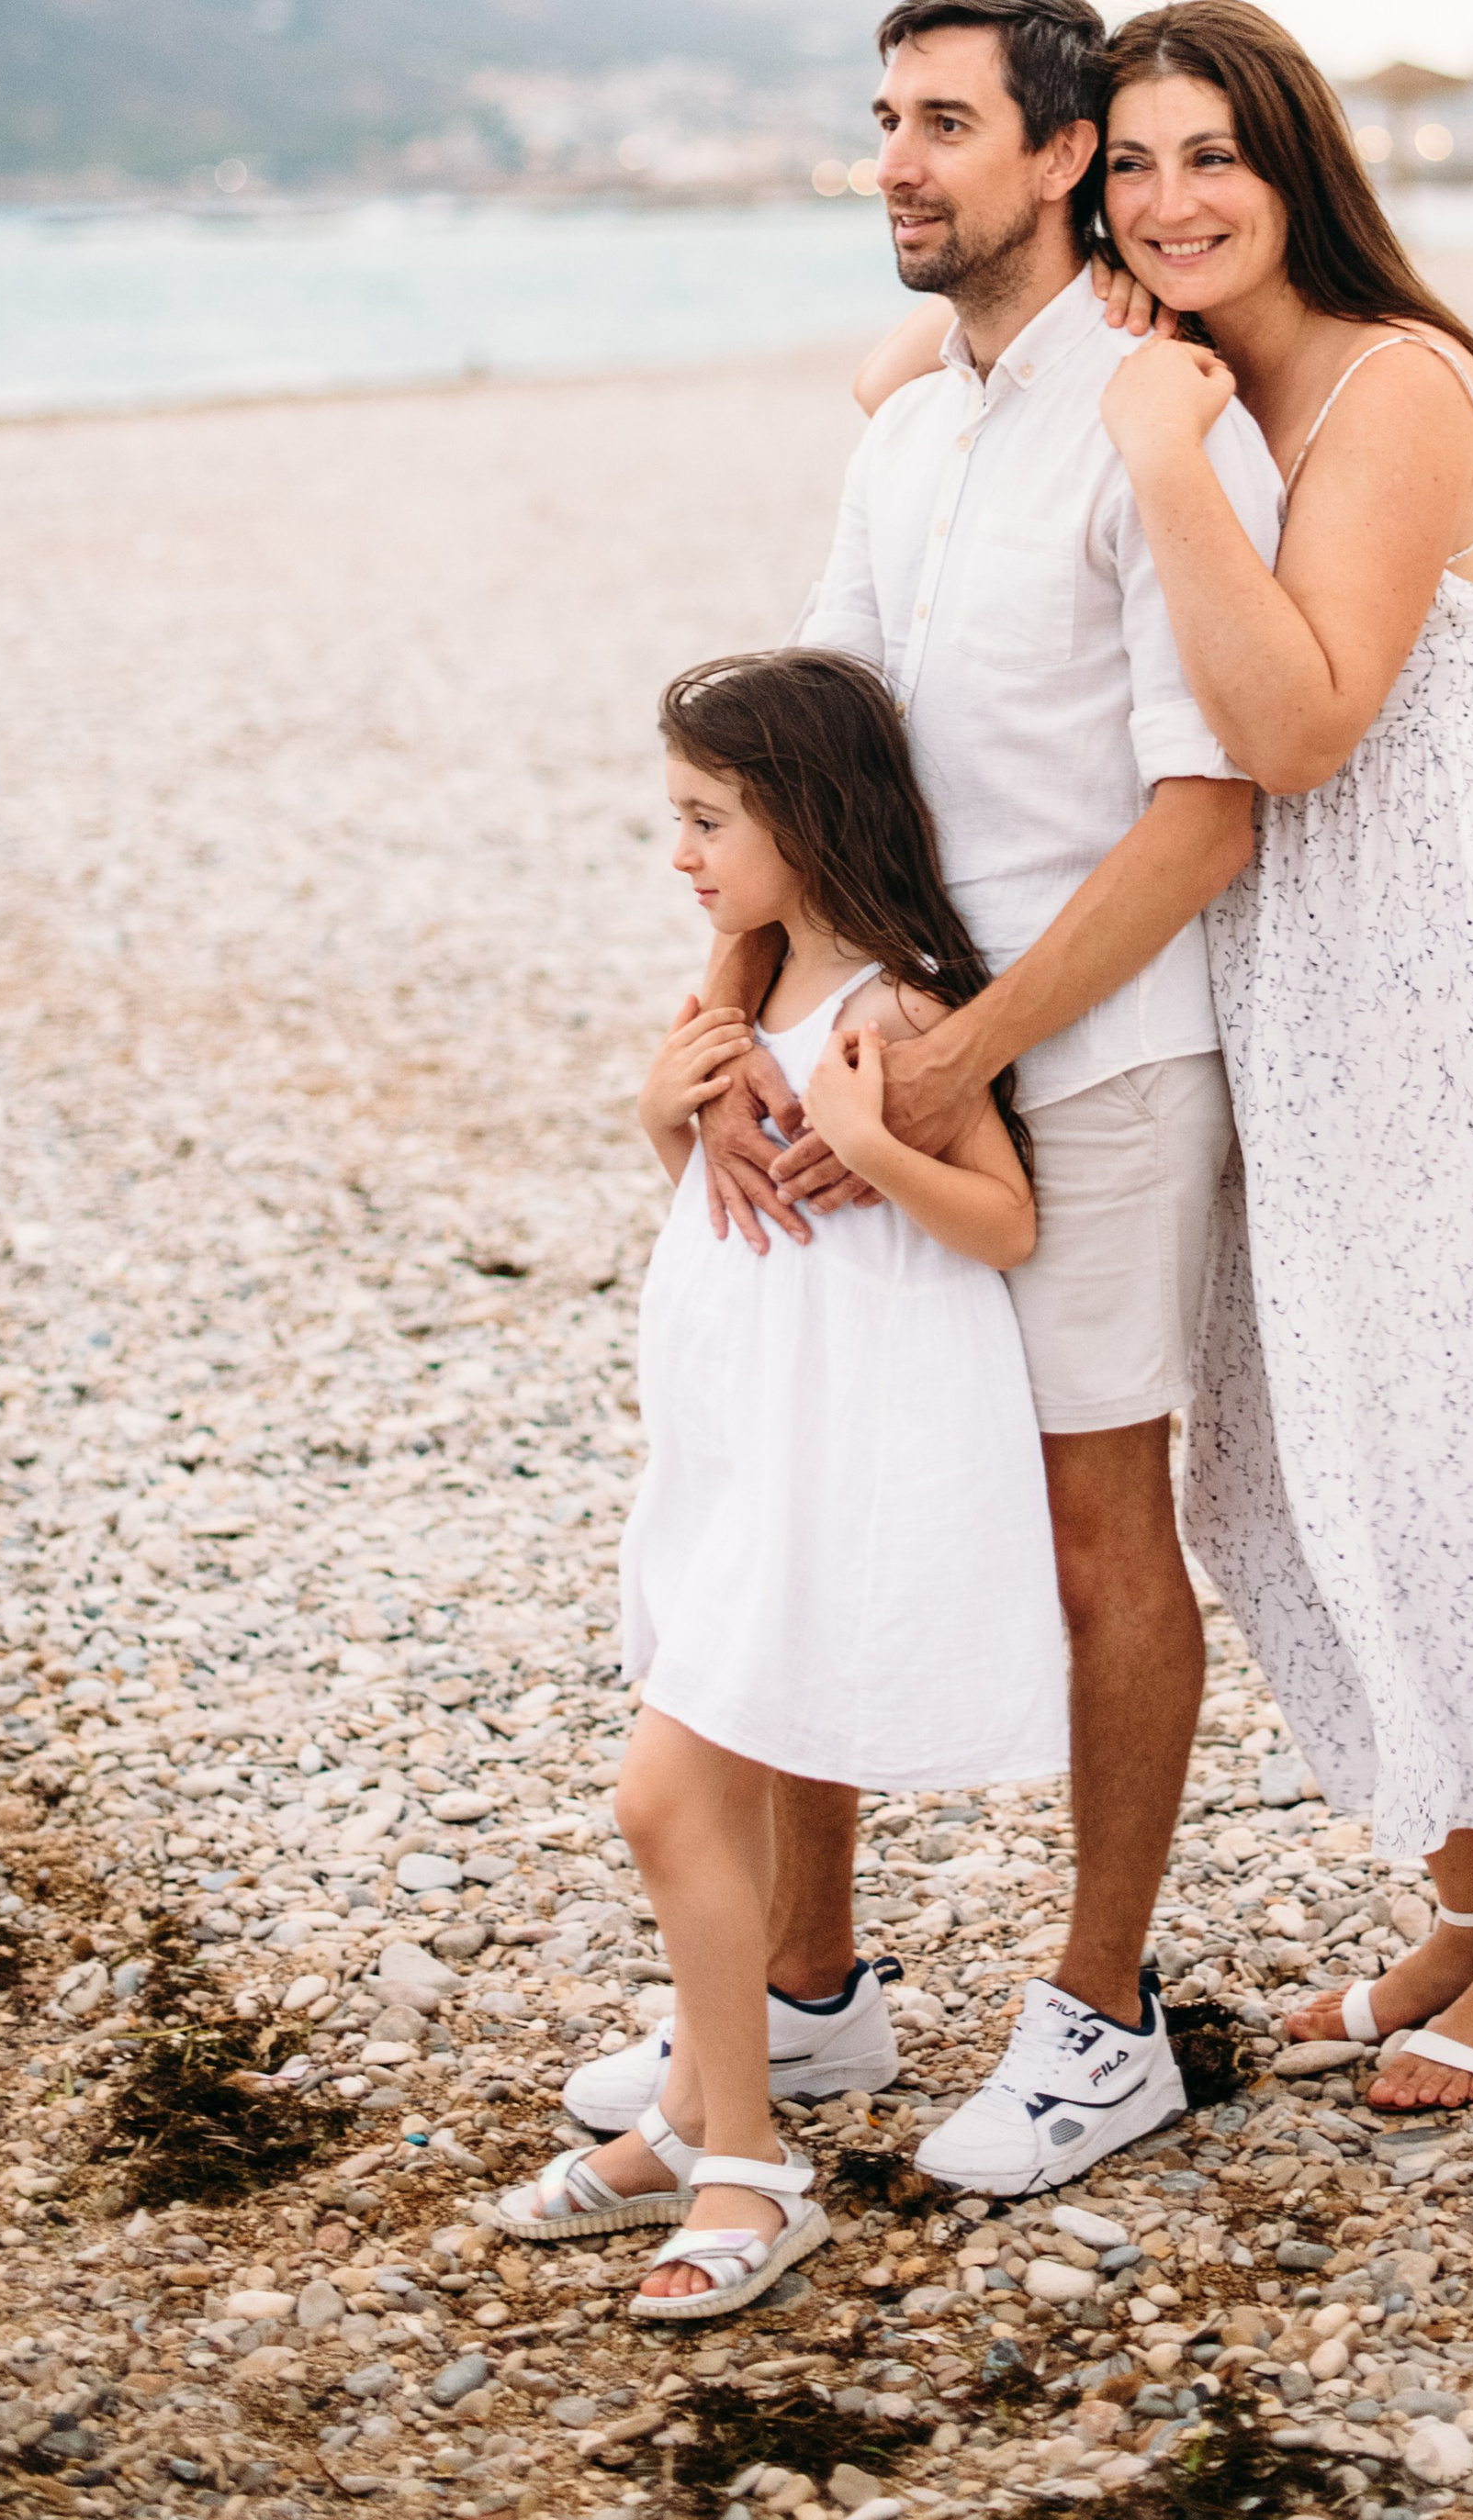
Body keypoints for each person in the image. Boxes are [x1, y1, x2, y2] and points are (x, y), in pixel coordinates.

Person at [562, 0, 1284, 2195]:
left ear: (1063, 155)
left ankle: (1100, 2017)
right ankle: (813, 1990)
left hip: (1099, 1063)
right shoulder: (904, 433)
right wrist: (724, 1025)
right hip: (862, 1041)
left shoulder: (1166, 421)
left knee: (1093, 1535)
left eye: (945, 122)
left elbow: (1208, 806)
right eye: (884, 116)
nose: (896, 158)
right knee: (797, 1471)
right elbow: (796, 760)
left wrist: (960, 1044)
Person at [1082, 0, 1473, 2111]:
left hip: (1440, 956)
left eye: (1207, 154)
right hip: (1277, 969)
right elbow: (897, 375)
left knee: (1462, 1419)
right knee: (1282, 1435)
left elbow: (1302, 722)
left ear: (1292, 160)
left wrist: (1156, 459)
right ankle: (1453, 1885)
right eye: (1128, 165)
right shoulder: (1205, 369)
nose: (1167, 201)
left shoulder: (1395, 382)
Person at [496, 648, 1066, 2309]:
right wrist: (668, 1117)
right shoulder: (738, 1008)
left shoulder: (891, 1007)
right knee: (715, 1787)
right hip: (737, 1440)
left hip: (838, 1457)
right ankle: (692, 2118)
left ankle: (749, 2165)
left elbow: (1002, 1224)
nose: (680, 853)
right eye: (675, 816)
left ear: (809, 819)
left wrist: (876, 1139)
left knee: (663, 1792)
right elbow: (725, 1211)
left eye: (707, 818)